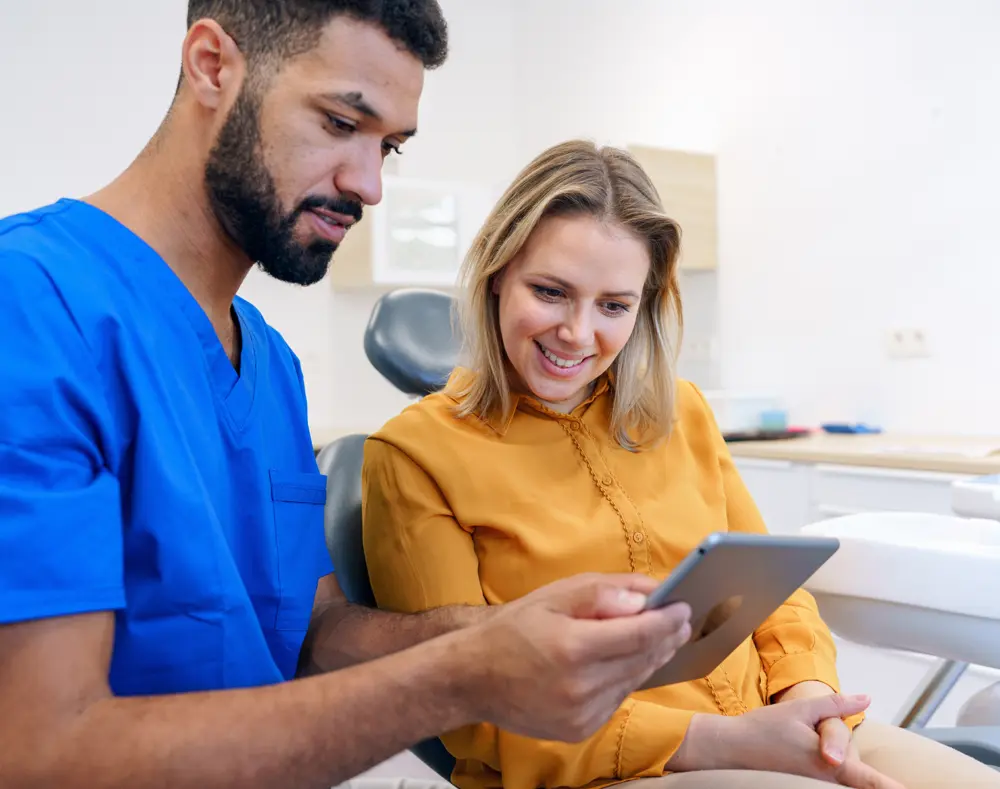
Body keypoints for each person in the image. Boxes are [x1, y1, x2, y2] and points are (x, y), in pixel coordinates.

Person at [0, 5, 696, 788]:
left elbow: (314, 630)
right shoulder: (29, 308)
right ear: (211, 64)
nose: (367, 184)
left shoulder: (267, 361)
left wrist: (507, 630)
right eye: (339, 122)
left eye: (389, 147)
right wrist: (463, 673)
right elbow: (40, 749)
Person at [361, 139, 1000, 789]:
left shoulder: (680, 412)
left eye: (614, 305)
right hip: (592, 770)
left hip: (769, 728)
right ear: (496, 275)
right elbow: (465, 708)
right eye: (551, 292)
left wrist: (814, 704)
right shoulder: (414, 456)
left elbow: (771, 593)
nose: (579, 334)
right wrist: (722, 740)